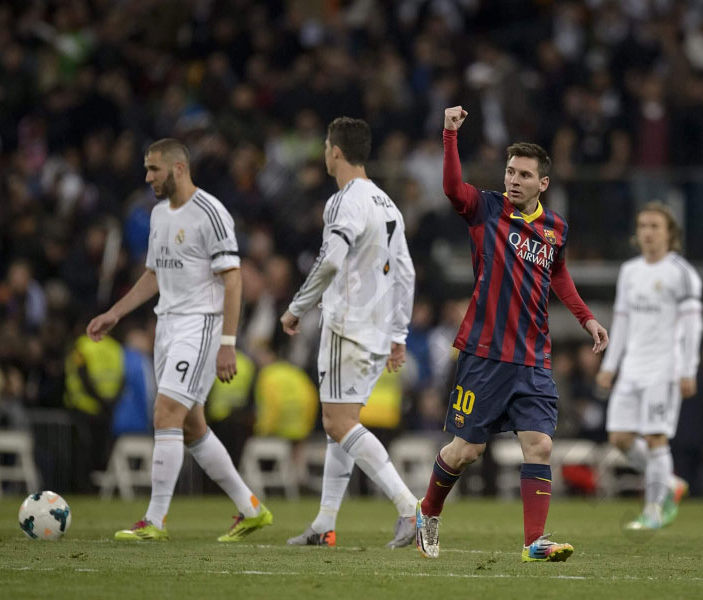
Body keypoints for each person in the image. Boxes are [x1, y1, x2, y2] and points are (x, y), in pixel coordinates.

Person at [414, 106, 609, 563]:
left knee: (539, 444)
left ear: (543, 183)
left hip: (534, 356)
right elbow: (450, 188)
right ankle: (427, 510)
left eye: (524, 174)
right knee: (466, 452)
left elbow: (558, 275)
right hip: (484, 353)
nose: (514, 180)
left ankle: (533, 543)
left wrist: (585, 318)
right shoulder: (485, 209)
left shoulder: (555, 228)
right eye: (510, 171)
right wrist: (449, 136)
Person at [86, 138, 272, 541]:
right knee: (190, 427)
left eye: (154, 169)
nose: (148, 176)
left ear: (179, 169)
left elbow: (234, 280)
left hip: (201, 324)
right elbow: (153, 274)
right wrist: (116, 313)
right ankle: (250, 508)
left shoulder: (211, 212)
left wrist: (227, 341)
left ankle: (154, 520)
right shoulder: (157, 215)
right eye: (146, 168)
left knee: (165, 413)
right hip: (167, 326)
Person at [281, 117, 418, 549]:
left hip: (347, 325)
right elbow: (407, 273)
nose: (324, 152)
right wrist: (399, 334)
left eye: (325, 145)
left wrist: (296, 307)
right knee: (340, 426)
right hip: (377, 331)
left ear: (335, 151)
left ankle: (411, 509)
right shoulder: (387, 203)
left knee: (338, 422)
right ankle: (324, 525)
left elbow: (330, 261)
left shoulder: (344, 202)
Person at [595, 203, 703, 530]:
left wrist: (688, 370)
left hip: (664, 368)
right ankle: (669, 482)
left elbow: (692, 326)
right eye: (642, 225)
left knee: (656, 437)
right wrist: (610, 365)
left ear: (670, 233)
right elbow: (622, 321)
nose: (647, 232)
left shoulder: (681, 273)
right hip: (632, 368)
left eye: (655, 226)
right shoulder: (630, 271)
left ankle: (655, 509)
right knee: (620, 438)